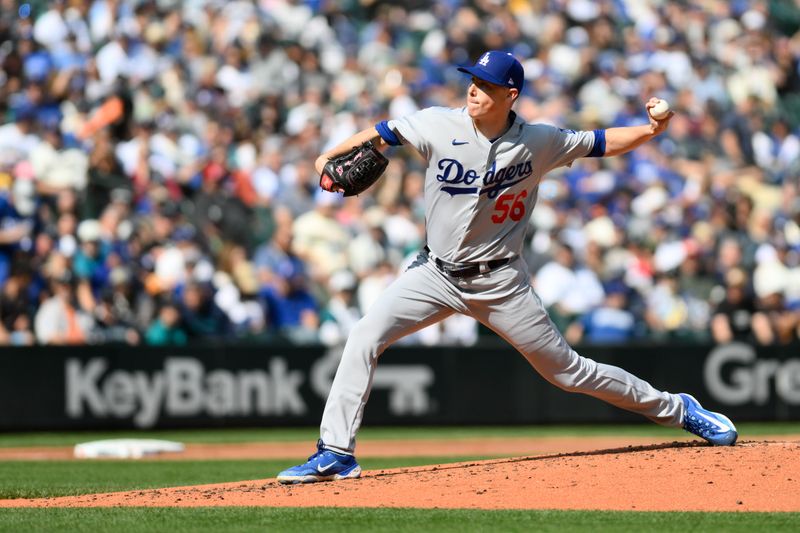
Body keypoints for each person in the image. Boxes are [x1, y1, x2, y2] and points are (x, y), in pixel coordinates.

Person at [277, 51, 738, 484]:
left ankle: (678, 408)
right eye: (473, 81)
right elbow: (379, 134)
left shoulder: (539, 141)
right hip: (434, 273)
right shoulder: (436, 124)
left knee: (569, 373)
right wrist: (326, 156)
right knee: (363, 335)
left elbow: (602, 142)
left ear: (509, 94)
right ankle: (337, 451)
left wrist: (651, 130)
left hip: (501, 282)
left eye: (485, 85)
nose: (473, 90)